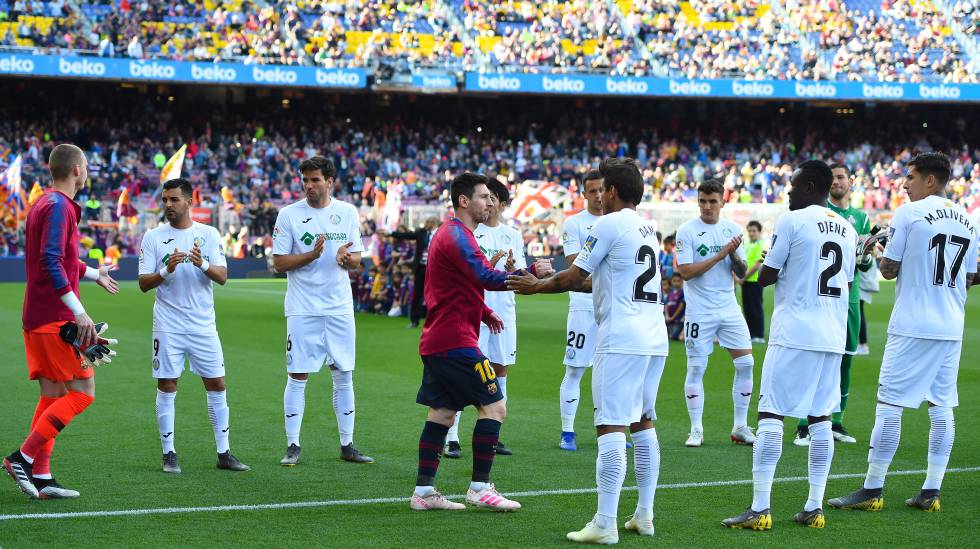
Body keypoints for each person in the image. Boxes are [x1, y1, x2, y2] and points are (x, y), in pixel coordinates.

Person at [508, 157, 667, 543]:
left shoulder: (607, 224)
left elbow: (575, 276)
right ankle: (644, 516)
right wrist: (553, 278)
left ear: (612, 191)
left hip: (621, 339)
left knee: (610, 426)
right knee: (644, 423)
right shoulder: (647, 226)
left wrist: (535, 286)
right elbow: (598, 281)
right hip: (654, 337)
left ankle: (605, 522)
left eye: (604, 188)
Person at [830, 152, 978, 514]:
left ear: (930, 179)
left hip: (913, 324)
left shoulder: (908, 212)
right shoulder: (970, 221)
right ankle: (931, 491)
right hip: (950, 326)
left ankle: (872, 488)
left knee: (889, 404)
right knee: (941, 405)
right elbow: (971, 277)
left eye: (910, 176)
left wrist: (878, 247)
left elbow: (890, 270)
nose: (904, 183)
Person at [722, 160, 859, 530]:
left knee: (770, 415)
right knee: (820, 420)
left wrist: (761, 261)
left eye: (794, 186)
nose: (788, 192)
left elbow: (766, 277)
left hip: (796, 331)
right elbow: (844, 282)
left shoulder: (792, 220)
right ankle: (814, 507)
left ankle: (760, 508)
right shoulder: (847, 229)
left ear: (811, 186)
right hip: (832, 335)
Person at [409, 172, 550, 512]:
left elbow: (453, 287)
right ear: (464, 201)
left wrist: (484, 312)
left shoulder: (452, 234)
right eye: (484, 196)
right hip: (456, 342)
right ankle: (480, 487)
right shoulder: (458, 236)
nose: (490, 202)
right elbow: (484, 276)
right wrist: (528, 273)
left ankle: (424, 492)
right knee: (494, 407)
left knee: (442, 413)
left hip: (441, 339)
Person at [4, 144, 120, 499]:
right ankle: (21, 458)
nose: (86, 173)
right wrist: (78, 311)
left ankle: (42, 475)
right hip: (54, 318)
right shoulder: (59, 207)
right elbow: (51, 261)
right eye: (85, 167)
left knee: (52, 394)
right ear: (77, 169)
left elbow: (62, 259)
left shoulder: (45, 202)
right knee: (83, 393)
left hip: (38, 316)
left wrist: (94, 272)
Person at [138, 178, 250, 474]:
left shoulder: (209, 234)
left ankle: (224, 453)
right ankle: (169, 454)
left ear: (189, 201)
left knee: (217, 383)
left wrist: (201, 264)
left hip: (202, 325)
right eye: (165, 200)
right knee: (167, 384)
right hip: (168, 324)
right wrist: (166, 269)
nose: (168, 205)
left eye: (174, 199)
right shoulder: (153, 237)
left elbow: (223, 276)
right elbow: (143, 283)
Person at [272, 156, 373, 466]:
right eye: (306, 180)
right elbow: (279, 263)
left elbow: (358, 258)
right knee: (297, 374)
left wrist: (349, 260)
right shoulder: (289, 215)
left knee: (343, 373)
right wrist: (310, 255)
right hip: (303, 309)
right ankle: (293, 445)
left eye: (315, 180)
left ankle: (347, 444)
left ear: (330, 182)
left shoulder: (346, 212)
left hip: (339, 307)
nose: (309, 185)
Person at [794, 163, 874, 446]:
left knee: (845, 360)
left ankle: (836, 420)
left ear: (850, 181)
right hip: (819, 298)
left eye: (841, 177)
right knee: (814, 359)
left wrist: (866, 255)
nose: (837, 182)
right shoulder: (817, 213)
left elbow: (863, 265)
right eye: (833, 177)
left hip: (848, 301)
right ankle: (804, 422)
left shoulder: (861, 218)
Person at [445, 178, 525, 458]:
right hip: (473, 313)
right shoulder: (468, 233)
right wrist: (489, 269)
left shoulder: (512, 234)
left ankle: (493, 434)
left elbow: (522, 277)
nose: (489, 203)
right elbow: (475, 274)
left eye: (493, 199)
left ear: (502, 204)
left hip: (503, 313)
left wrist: (521, 270)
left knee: (500, 371)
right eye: (485, 197)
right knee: (464, 372)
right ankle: (452, 437)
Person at [675, 178, 756, 447]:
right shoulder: (686, 231)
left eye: (712, 201)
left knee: (746, 364)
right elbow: (686, 272)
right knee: (697, 367)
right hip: (700, 312)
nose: (707, 206)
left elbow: (742, 273)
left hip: (729, 308)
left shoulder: (732, 229)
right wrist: (721, 254)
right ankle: (696, 428)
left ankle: (740, 426)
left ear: (723, 202)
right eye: (702, 201)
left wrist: (734, 256)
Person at [557, 170, 603, 451]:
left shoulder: (617, 222)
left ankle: (608, 429)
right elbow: (577, 269)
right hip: (584, 308)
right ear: (584, 194)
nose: (598, 196)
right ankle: (567, 432)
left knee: (609, 370)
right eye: (593, 191)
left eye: (602, 190)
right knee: (575, 368)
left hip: (612, 307)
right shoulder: (574, 224)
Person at [389, 217, 440, 328]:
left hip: (435, 268)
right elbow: (407, 235)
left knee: (435, 295)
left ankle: (436, 320)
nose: (427, 223)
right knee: (417, 294)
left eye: (429, 221)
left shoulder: (441, 233)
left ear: (435, 223)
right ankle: (414, 320)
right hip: (421, 268)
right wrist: (391, 233)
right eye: (426, 221)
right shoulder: (421, 233)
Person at [740, 220, 766, 343]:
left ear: (759, 232)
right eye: (749, 231)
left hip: (754, 281)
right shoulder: (748, 245)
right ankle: (751, 333)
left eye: (754, 231)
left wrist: (742, 277)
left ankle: (759, 334)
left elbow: (757, 264)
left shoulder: (761, 244)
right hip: (746, 281)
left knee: (756, 307)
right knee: (747, 308)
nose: (751, 233)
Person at [665, 273, 686, 341]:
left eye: (678, 281)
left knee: (673, 337)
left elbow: (681, 307)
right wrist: (667, 316)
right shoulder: (670, 292)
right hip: (669, 319)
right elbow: (666, 304)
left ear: (681, 281)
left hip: (678, 320)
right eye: (674, 280)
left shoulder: (683, 292)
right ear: (671, 281)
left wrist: (672, 317)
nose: (676, 283)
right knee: (667, 337)